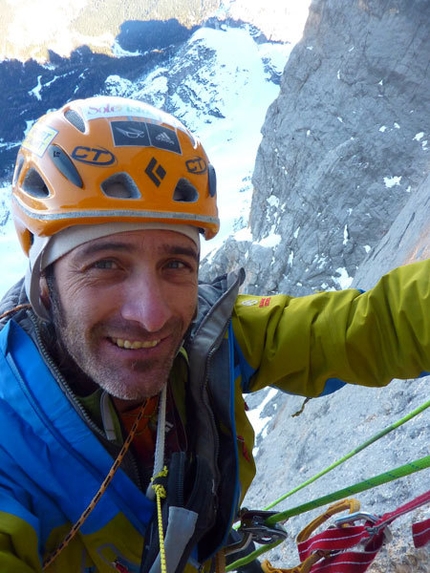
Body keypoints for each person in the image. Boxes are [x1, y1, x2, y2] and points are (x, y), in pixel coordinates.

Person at [1, 95, 429, 573]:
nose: (152, 315)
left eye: (175, 264)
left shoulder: (209, 339)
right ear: (44, 279)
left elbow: (372, 325)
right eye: (105, 264)